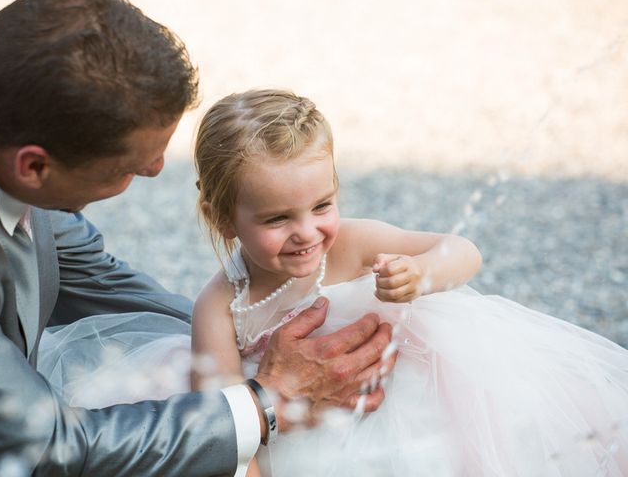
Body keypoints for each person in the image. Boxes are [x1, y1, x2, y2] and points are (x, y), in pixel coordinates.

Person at [0, 0, 396, 476]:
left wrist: (245, 340)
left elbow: (111, 287)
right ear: (34, 166)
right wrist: (266, 399)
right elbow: (49, 446)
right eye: (129, 166)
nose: (156, 169)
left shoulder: (22, 178)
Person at [187, 89, 628, 476]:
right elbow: (229, 428)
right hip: (303, 445)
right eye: (278, 218)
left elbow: (463, 250)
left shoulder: (352, 244)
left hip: (410, 416)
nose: (307, 231)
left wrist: (423, 273)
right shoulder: (221, 307)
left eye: (322, 205)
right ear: (222, 218)